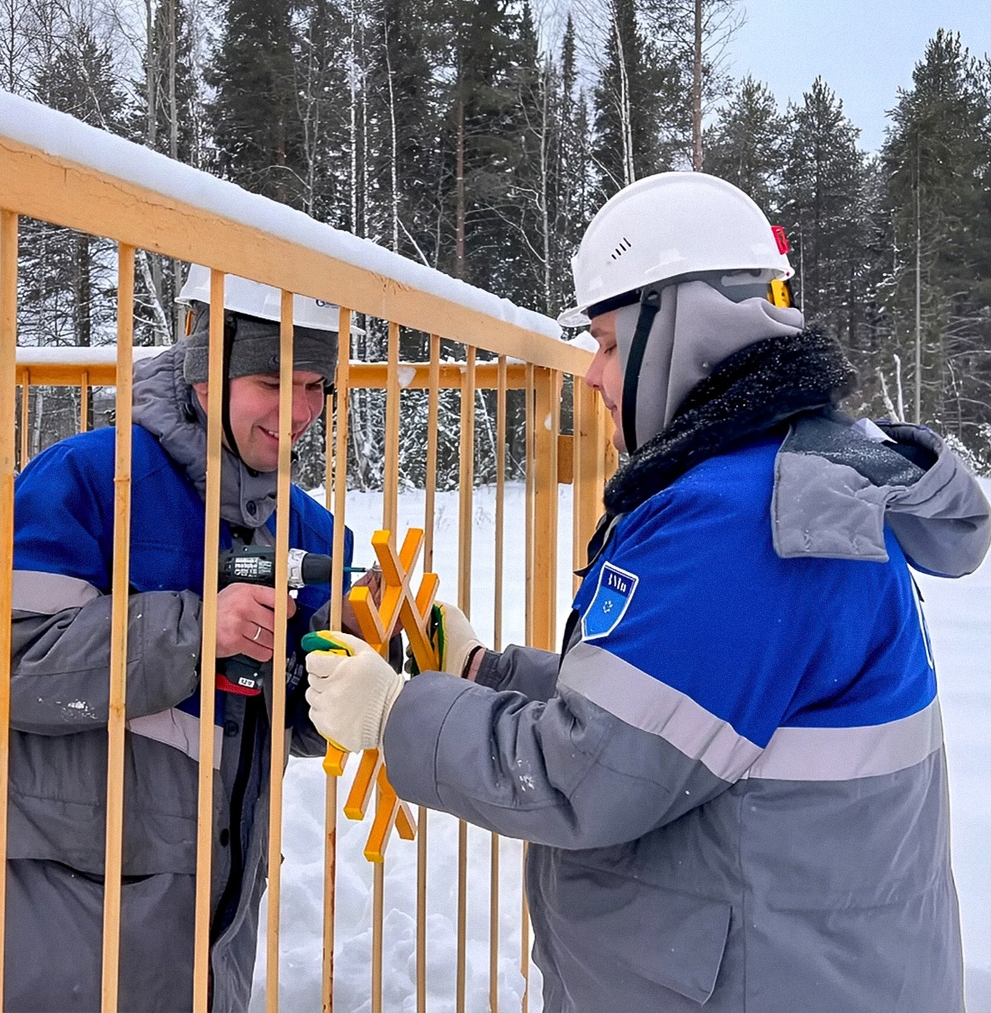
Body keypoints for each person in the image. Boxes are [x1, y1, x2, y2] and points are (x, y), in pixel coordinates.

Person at [305, 172, 991, 1013]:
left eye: (605, 342)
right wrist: (487, 670)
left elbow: (587, 775)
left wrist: (394, 714)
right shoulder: (790, 471)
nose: (592, 375)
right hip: (802, 962)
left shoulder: (738, 521)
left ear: (683, 327)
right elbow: (684, 719)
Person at [0, 268, 359, 1012]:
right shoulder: (90, 481)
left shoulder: (309, 532)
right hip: (45, 932)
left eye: (319, 386)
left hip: (203, 937)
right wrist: (195, 630)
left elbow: (286, 716)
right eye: (270, 379)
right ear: (203, 371)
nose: (298, 413)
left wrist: (350, 674)